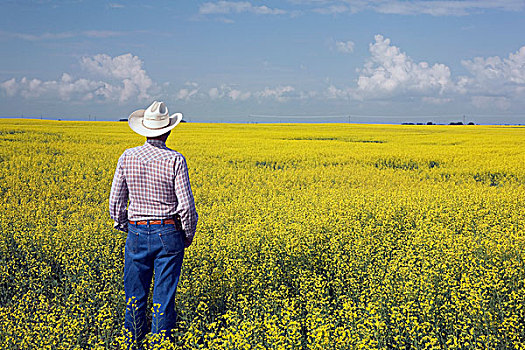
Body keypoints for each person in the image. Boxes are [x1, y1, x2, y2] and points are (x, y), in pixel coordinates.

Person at [109, 101, 198, 346]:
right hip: (169, 231)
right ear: (168, 130)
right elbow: (186, 206)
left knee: (134, 295)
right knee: (163, 296)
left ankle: (132, 342)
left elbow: (116, 200)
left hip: (136, 231)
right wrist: (187, 234)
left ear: (144, 130)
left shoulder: (128, 156)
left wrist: (124, 225)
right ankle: (160, 344)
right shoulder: (175, 159)